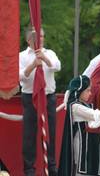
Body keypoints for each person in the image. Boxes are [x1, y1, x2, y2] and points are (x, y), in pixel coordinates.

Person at [58, 75, 100, 176]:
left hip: (90, 143)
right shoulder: (75, 106)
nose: (90, 93)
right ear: (80, 91)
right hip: (81, 143)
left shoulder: (85, 104)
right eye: (88, 90)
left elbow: (95, 121)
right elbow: (94, 114)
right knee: (81, 171)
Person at [19, 27, 61, 175]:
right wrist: (32, 65)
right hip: (30, 97)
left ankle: (52, 167)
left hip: (48, 97)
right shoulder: (21, 56)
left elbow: (57, 67)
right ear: (28, 40)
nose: (41, 40)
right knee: (29, 134)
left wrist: (45, 59)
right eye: (37, 37)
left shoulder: (50, 53)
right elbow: (19, 76)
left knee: (50, 132)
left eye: (42, 37)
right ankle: (29, 169)